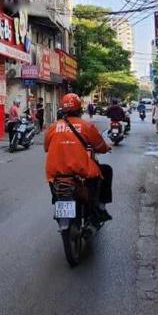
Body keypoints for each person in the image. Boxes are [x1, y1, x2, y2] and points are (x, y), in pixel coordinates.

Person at [44, 93, 113, 221]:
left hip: (56, 173)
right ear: (80, 110)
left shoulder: (53, 127)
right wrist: (106, 148)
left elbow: (46, 147)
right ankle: (100, 207)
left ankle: (59, 204)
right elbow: (100, 146)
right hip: (81, 171)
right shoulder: (86, 126)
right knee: (107, 170)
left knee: (55, 188)